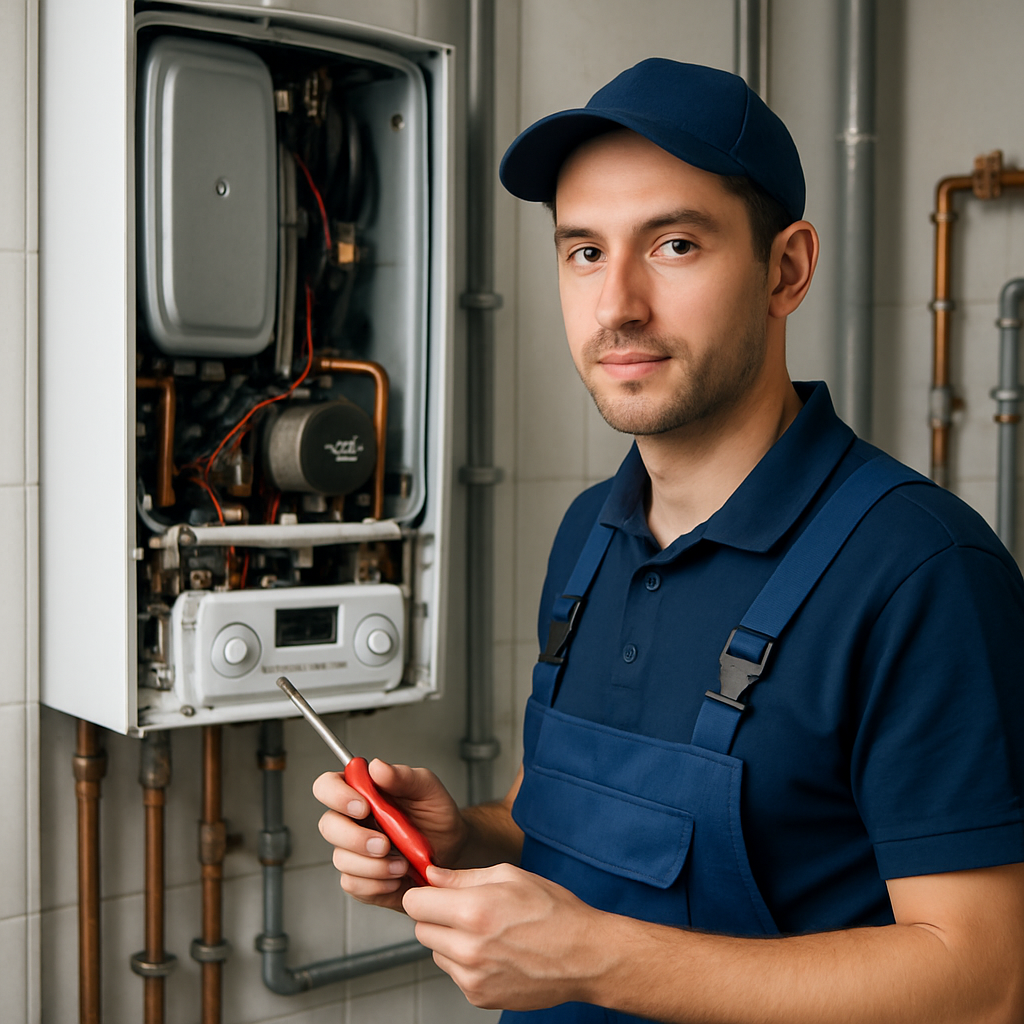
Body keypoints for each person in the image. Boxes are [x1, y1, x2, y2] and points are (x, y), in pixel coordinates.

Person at [313, 59, 1024, 1023]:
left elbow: (983, 982)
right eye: (584, 253)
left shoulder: (922, 572)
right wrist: (463, 838)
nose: (618, 306)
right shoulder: (589, 537)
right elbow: (563, 825)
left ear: (787, 269)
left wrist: (601, 962)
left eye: (676, 244)